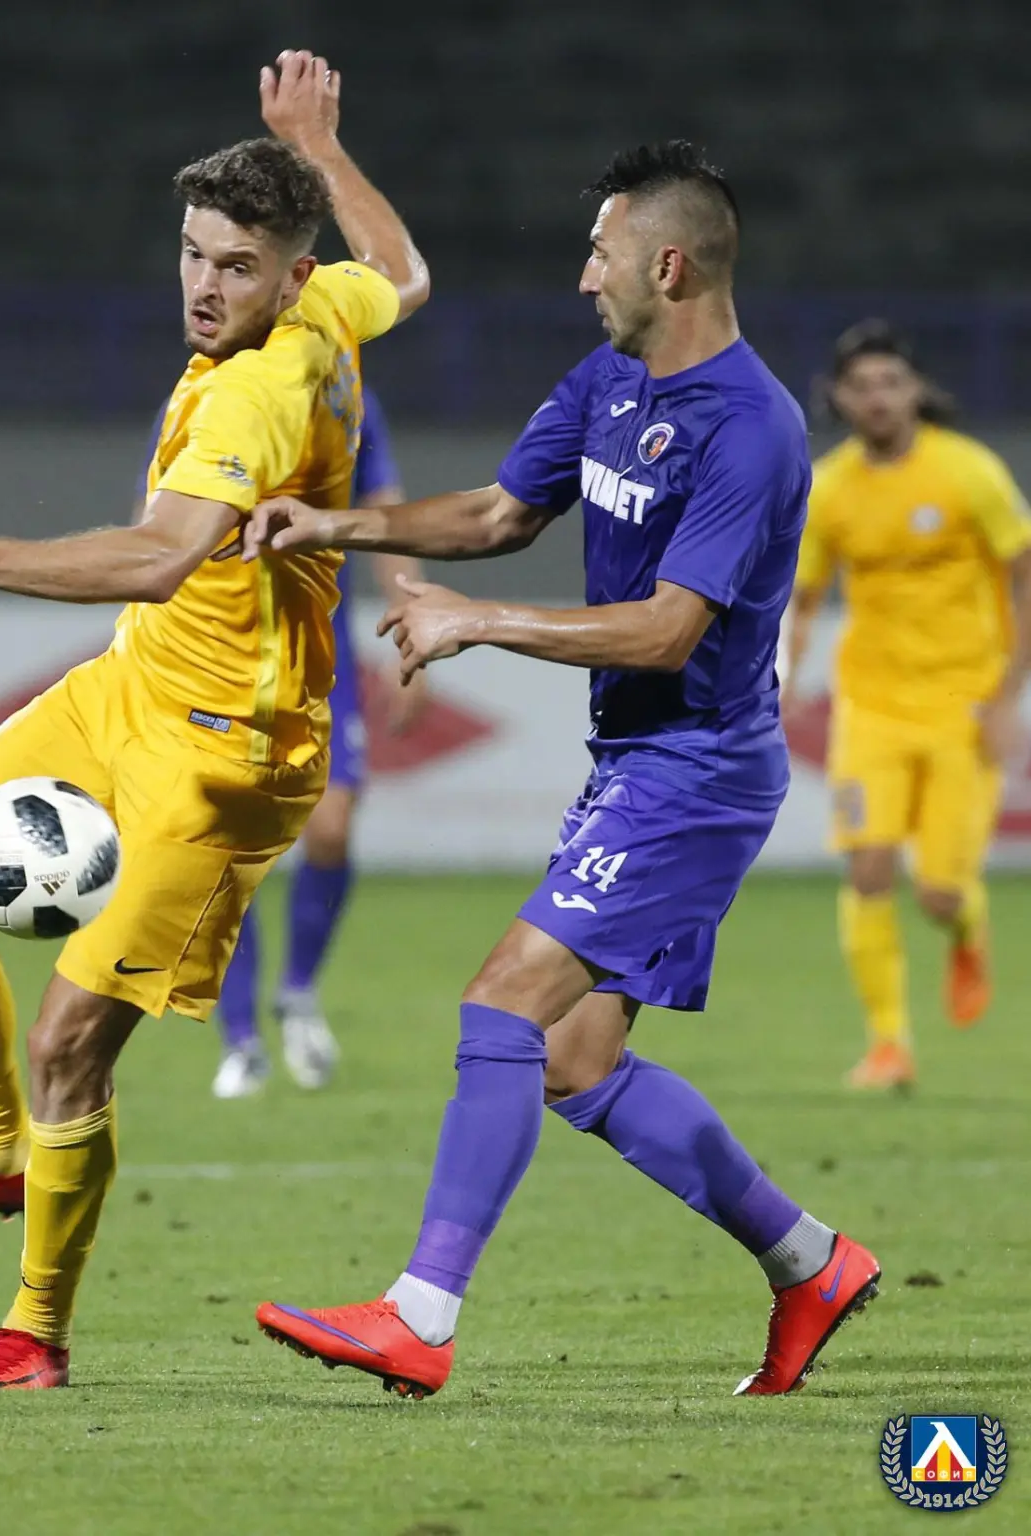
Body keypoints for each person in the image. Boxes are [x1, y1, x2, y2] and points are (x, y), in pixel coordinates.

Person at [247, 140, 879, 1401]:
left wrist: (478, 624)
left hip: (698, 774)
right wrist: (334, 524)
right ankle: (811, 1263)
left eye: (600, 252)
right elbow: (499, 514)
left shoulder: (752, 428)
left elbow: (668, 631)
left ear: (669, 264)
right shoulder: (610, 379)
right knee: (579, 1063)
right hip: (641, 763)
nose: (584, 275)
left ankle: (420, 1315)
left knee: (503, 1005)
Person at [0, 50, 429, 1390]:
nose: (203, 286)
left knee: (68, 1044)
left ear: (288, 278)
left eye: (236, 267)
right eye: (191, 255)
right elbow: (404, 274)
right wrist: (321, 148)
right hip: (129, 688)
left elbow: (160, 554)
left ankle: (32, 1333)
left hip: (225, 754)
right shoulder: (329, 303)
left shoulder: (258, 390)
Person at [784, 321, 1031, 1090]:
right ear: (839, 398)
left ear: (916, 390)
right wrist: (783, 681)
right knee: (868, 868)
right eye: (862, 386)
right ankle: (888, 1045)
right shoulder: (829, 489)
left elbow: (1024, 576)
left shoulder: (968, 472)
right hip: (872, 706)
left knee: (939, 892)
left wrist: (1008, 698)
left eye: (891, 382)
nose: (879, 399)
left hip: (964, 704)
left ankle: (966, 925)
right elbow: (800, 598)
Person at [212, 386, 427, 1098]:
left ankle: (297, 991)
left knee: (331, 828)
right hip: (223, 663)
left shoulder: (346, 400)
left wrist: (410, 621)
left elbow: (387, 515)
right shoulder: (205, 394)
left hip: (317, 661)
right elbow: (155, 524)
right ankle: (241, 1039)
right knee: (228, 852)